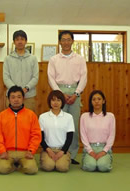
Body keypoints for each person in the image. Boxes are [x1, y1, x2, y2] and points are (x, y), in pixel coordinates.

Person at [47, 30, 87, 164]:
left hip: (75, 91)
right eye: (63, 39)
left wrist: (77, 93)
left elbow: (84, 77)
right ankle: (60, 152)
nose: (65, 42)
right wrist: (60, 94)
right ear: (59, 42)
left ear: (72, 41)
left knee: (73, 125)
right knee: (60, 124)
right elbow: (51, 77)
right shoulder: (54, 59)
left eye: (68, 39)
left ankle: (73, 155)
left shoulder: (80, 59)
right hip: (59, 92)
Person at [0, 85, 41, 174]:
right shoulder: (1, 116)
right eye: (13, 97)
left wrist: (31, 150)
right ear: (8, 99)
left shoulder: (31, 115)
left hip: (25, 152)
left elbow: (36, 135)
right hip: (8, 152)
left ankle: (18, 166)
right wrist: (2, 151)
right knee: (2, 169)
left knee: (32, 169)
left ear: (23, 98)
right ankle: (14, 167)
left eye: (19, 97)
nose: (16, 100)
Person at [3, 30, 39, 111]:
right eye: (17, 39)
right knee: (11, 121)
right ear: (14, 42)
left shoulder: (33, 58)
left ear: (26, 41)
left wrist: (26, 89)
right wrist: (16, 92)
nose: (20, 41)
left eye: (22, 39)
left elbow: (35, 77)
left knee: (28, 121)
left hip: (29, 96)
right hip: (12, 96)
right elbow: (6, 77)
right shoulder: (8, 59)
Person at [39, 90, 74, 172]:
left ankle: (65, 158)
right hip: (48, 149)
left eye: (58, 100)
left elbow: (69, 138)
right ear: (49, 101)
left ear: (62, 102)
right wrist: (48, 150)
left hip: (62, 150)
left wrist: (62, 152)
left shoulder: (68, 117)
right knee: (48, 167)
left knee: (62, 168)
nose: (56, 103)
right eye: (53, 100)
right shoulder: (43, 117)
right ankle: (45, 159)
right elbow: (40, 137)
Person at [80, 90, 115, 172]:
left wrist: (104, 151)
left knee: (103, 167)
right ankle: (87, 160)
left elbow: (111, 135)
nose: (96, 101)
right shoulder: (84, 117)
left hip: (104, 147)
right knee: (90, 166)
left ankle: (106, 159)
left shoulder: (110, 116)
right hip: (90, 147)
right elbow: (83, 135)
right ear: (91, 102)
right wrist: (90, 151)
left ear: (103, 101)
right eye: (94, 99)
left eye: (99, 99)